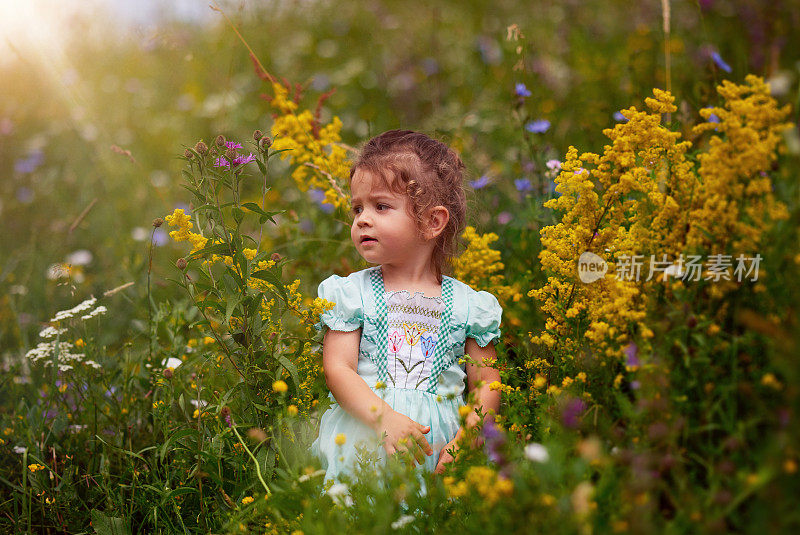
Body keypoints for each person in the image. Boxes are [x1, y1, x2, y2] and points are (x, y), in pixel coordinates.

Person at [310, 130, 503, 494]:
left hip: (440, 447)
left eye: (381, 206)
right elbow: (337, 369)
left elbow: (487, 384)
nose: (363, 219)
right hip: (366, 435)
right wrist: (384, 419)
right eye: (357, 208)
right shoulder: (352, 294)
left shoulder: (469, 306)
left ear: (433, 222)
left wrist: (470, 438)